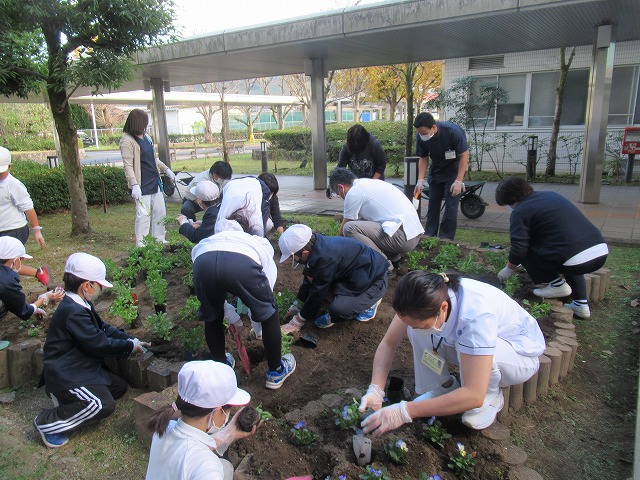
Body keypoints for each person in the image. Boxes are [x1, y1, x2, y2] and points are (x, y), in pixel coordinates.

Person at [359, 271, 545, 436]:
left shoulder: (476, 317)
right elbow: (389, 343)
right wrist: (375, 389)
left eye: (421, 323)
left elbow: (473, 394)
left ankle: (491, 396)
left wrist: (406, 411)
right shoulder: (420, 298)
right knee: (417, 329)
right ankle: (441, 386)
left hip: (518, 355)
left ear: (443, 308)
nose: (414, 327)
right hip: (468, 343)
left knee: (483, 368)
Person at [34, 253, 149, 448]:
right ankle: (48, 423)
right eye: (100, 285)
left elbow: (103, 327)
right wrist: (129, 347)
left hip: (81, 366)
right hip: (67, 372)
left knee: (118, 387)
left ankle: (67, 401)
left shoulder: (81, 303)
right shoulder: (73, 312)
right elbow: (99, 344)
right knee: (102, 405)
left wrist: (130, 339)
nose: (101, 289)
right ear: (87, 286)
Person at [192, 222, 296, 390]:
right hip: (242, 262)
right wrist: (259, 325)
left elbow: (213, 299)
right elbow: (265, 302)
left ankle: (220, 366)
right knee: (271, 315)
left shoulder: (207, 241)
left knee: (212, 318)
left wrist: (231, 317)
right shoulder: (257, 242)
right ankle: (276, 371)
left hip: (204, 262)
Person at [495, 177, 609, 319]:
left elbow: (519, 248)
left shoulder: (520, 211)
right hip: (599, 251)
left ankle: (556, 285)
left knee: (529, 248)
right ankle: (581, 305)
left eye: (507, 204)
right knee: (569, 253)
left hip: (575, 258)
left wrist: (509, 269)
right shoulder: (550, 195)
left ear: (511, 199)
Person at [145, 360, 255, 480]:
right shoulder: (208, 469)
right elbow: (196, 459)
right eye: (228, 410)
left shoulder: (164, 427)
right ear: (216, 412)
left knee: (226, 467)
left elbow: (190, 451)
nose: (227, 415)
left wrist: (230, 433)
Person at [279, 224, 389, 332]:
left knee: (339, 310)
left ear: (305, 252)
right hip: (355, 273)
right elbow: (311, 279)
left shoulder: (325, 258)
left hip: (374, 279)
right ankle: (346, 298)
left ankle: (371, 303)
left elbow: (318, 291)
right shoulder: (316, 244)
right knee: (314, 279)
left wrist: (297, 321)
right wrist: (299, 304)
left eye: (292, 257)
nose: (290, 259)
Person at [328, 168, 423, 271]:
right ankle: (395, 259)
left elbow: (343, 231)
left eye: (338, 194)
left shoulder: (353, 193)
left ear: (340, 187)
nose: (341, 197)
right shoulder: (367, 184)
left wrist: (332, 250)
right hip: (412, 233)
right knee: (363, 225)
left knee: (349, 228)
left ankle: (384, 266)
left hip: (403, 238)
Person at [120, 109, 176, 246]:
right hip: (141, 185)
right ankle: (142, 244)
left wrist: (166, 169)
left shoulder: (147, 138)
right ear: (137, 123)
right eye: (144, 123)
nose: (146, 126)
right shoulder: (127, 141)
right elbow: (128, 166)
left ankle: (159, 238)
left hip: (154, 181)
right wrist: (134, 185)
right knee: (143, 215)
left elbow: (154, 159)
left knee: (160, 212)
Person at [413, 112, 469, 240]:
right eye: (419, 133)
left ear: (433, 127)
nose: (421, 136)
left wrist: (459, 181)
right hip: (436, 173)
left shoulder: (452, 132)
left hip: (453, 174)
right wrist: (420, 180)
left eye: (424, 133)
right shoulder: (421, 136)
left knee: (450, 207)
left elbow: (464, 156)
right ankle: (429, 235)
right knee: (433, 206)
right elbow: (423, 157)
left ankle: (446, 239)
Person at [0, 146, 51, 286]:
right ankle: (39, 272)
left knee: (7, 265)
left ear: (10, 167)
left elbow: (28, 208)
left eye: (1, 172)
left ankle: (13, 292)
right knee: (4, 266)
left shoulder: (13, 184)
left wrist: (37, 231)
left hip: (14, 230)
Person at [0, 237, 64, 349]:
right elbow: (23, 312)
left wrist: (33, 307)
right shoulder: (7, 280)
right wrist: (45, 297)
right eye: (21, 259)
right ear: (16, 260)